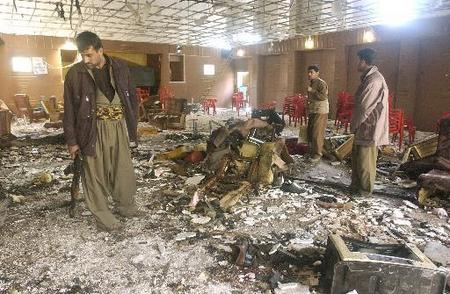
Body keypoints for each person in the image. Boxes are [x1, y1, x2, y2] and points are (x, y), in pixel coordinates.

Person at [63, 31, 140, 231]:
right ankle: (104, 217)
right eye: (82, 55)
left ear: (100, 50)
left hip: (117, 127)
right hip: (91, 129)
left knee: (122, 169)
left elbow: (132, 96)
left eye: (89, 54)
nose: (85, 59)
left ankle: (125, 206)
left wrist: (132, 122)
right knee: (95, 174)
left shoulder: (120, 67)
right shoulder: (75, 73)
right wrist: (72, 141)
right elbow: (69, 109)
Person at [350, 48, 389, 196]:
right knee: (358, 158)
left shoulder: (374, 80)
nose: (357, 63)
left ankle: (364, 190)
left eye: (358, 60)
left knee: (365, 160)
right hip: (365, 125)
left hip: (368, 126)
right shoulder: (369, 78)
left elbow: (364, 107)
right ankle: (357, 186)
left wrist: (354, 125)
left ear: (363, 61)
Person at [306, 64, 329, 163]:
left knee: (317, 133)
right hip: (313, 110)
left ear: (317, 73)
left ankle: (317, 154)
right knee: (310, 132)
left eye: (312, 72)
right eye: (308, 72)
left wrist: (312, 91)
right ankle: (313, 152)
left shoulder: (321, 83)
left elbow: (323, 97)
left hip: (320, 110)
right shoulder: (312, 82)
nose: (309, 74)